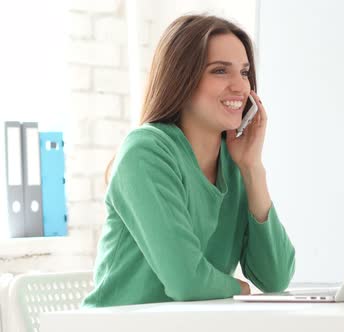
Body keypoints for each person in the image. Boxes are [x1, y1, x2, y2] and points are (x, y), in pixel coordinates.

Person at [82, 14, 295, 307]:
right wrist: (243, 290)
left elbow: (276, 277)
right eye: (220, 71)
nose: (240, 86)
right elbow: (188, 282)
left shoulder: (235, 162)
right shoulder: (145, 152)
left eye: (244, 73)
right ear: (181, 78)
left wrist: (252, 169)